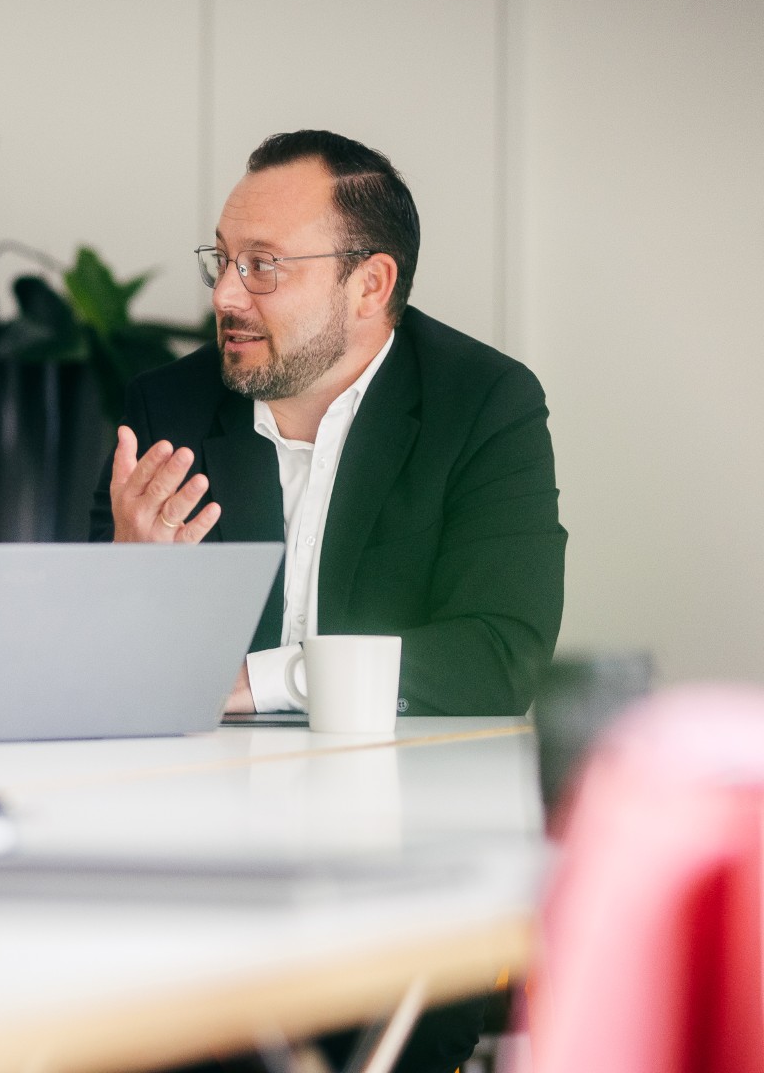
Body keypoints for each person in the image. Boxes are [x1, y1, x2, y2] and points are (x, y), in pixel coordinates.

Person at [90, 129, 565, 718]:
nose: (225, 297)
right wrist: (121, 582)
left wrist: (265, 680)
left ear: (370, 285)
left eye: (262, 265)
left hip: (405, 785)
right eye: (224, 261)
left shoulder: (482, 404)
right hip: (207, 784)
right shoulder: (167, 409)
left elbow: (501, 657)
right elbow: (95, 667)